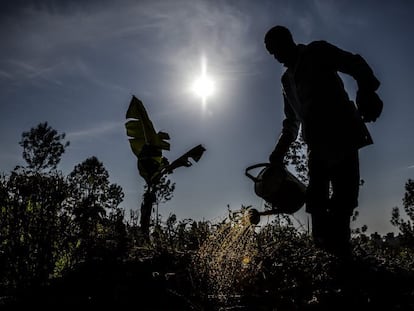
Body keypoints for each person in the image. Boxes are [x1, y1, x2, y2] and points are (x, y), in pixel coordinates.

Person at [264, 25, 382, 258]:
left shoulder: (317, 52)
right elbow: (291, 120)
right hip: (316, 146)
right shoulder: (286, 80)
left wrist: (367, 91)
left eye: (275, 49)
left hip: (342, 135)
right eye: (271, 53)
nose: (275, 57)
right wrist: (278, 152)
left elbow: (355, 63)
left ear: (287, 40)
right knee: (316, 202)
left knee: (343, 201)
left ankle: (343, 257)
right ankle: (325, 255)